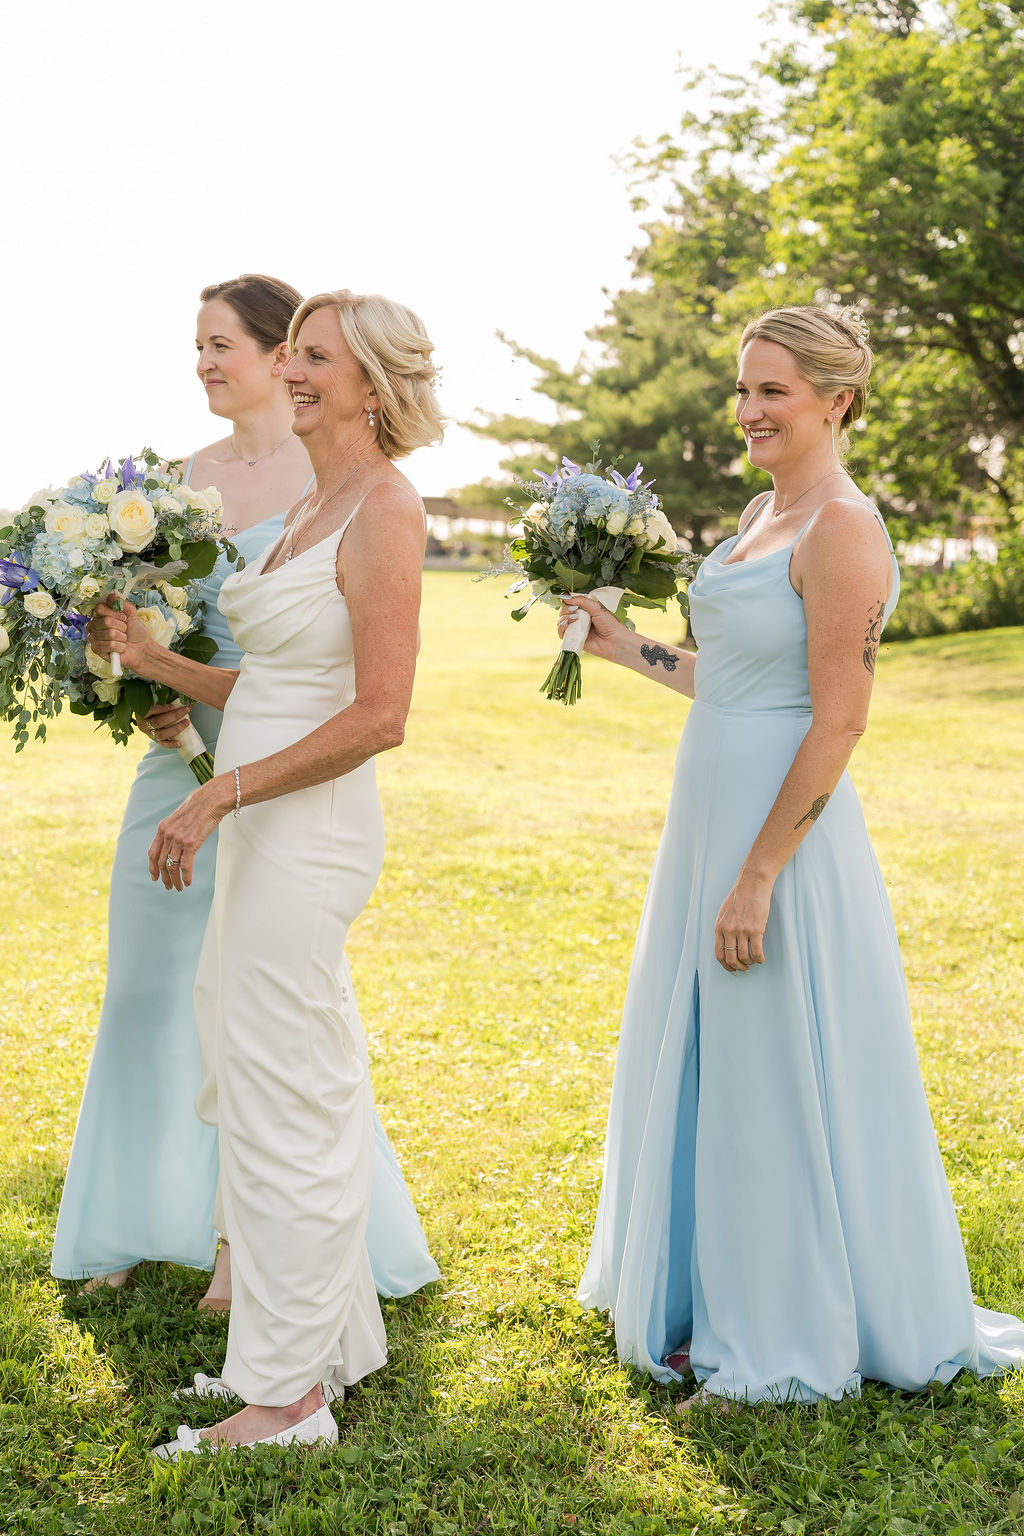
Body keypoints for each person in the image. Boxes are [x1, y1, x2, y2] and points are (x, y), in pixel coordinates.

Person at [563, 305, 1024, 1407]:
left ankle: (779, 1319)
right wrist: (626, 647)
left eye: (772, 390)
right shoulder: (760, 514)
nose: (748, 410)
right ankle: (698, 1290)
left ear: (836, 400)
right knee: (710, 1052)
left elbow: (838, 720)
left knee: (771, 1066)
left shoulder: (843, 530)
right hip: (707, 813)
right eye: (742, 388)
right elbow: (726, 679)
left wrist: (760, 874)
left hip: (781, 837)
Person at [88, 287, 443, 1454]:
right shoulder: (313, 503)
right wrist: (156, 664)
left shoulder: (385, 507)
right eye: (290, 353)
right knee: (271, 1087)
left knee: (285, 1096)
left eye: (315, 359)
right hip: (261, 822)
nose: (290, 371)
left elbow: (380, 715)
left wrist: (218, 791)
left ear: (371, 387)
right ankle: (306, 1353)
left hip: (308, 831)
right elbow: (279, 684)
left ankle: (288, 1403)